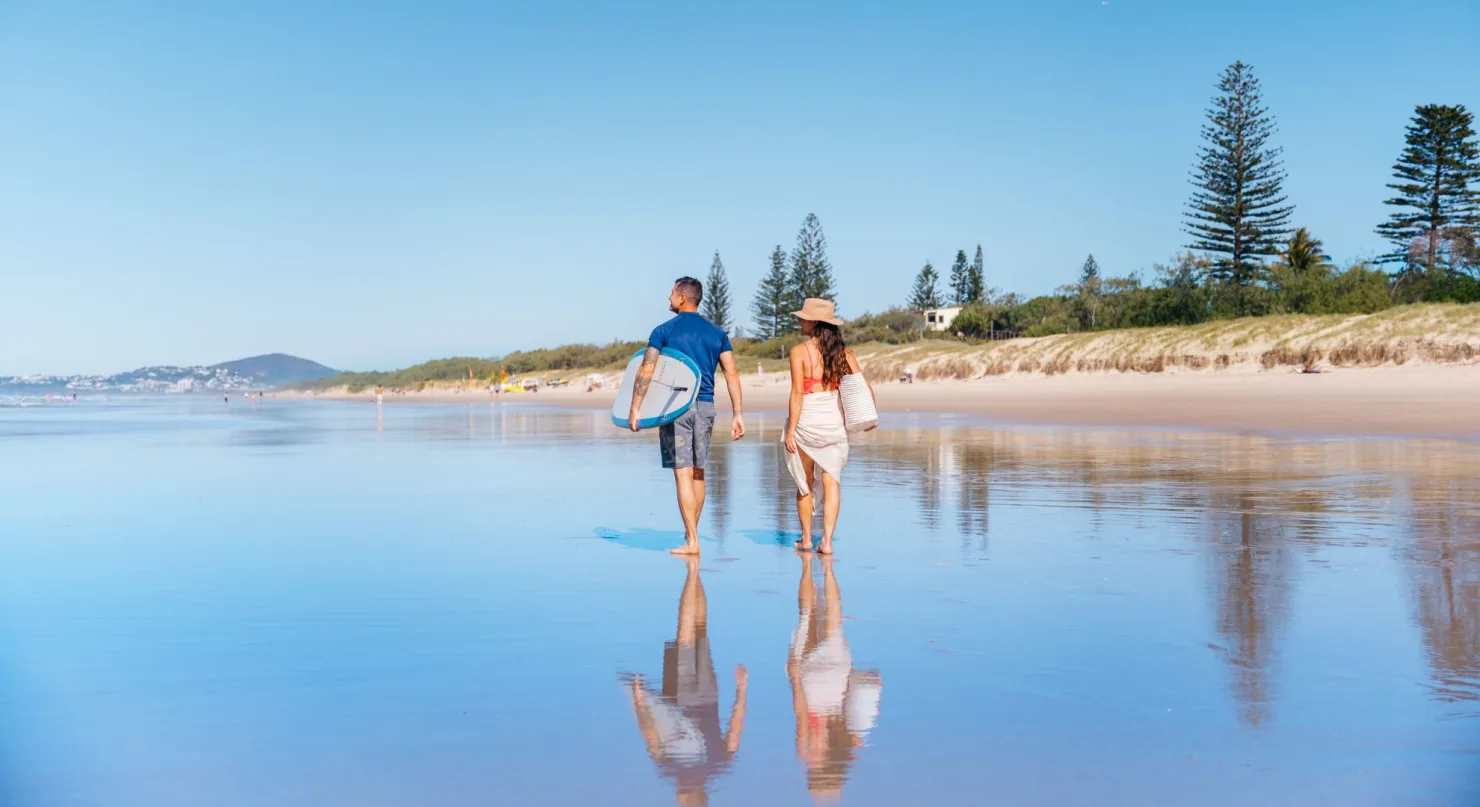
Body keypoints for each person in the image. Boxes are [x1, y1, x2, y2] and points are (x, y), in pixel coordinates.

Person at [629, 277, 745, 556]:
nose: (668, 297)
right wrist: (738, 413)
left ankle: (692, 541)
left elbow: (646, 368)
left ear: (682, 298)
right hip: (706, 406)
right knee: (698, 471)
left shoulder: (663, 331)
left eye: (671, 293)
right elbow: (731, 373)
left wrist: (635, 407)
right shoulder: (717, 333)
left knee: (682, 474)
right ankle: (691, 532)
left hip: (675, 407)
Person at [626, 556, 748, 806]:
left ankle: (694, 574)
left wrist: (742, 690)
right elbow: (650, 734)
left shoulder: (718, 766)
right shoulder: (672, 770)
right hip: (680, 698)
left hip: (708, 695)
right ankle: (692, 573)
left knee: (700, 630)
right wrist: (640, 702)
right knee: (685, 635)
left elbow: (735, 731)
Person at [788, 553, 882, 802]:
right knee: (806, 614)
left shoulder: (851, 744)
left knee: (834, 618)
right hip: (813, 684)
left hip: (837, 676)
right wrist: (795, 677)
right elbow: (800, 712)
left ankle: (827, 571)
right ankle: (812, 571)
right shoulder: (808, 751)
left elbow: (864, 703)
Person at [784, 298, 874, 554]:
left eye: (803, 318)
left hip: (808, 419)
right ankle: (826, 541)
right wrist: (867, 418)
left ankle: (806, 539)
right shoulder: (844, 353)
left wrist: (790, 431)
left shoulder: (799, 352)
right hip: (833, 420)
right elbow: (864, 388)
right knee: (831, 480)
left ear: (814, 322)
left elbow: (797, 394)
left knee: (804, 481)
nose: (800, 321)